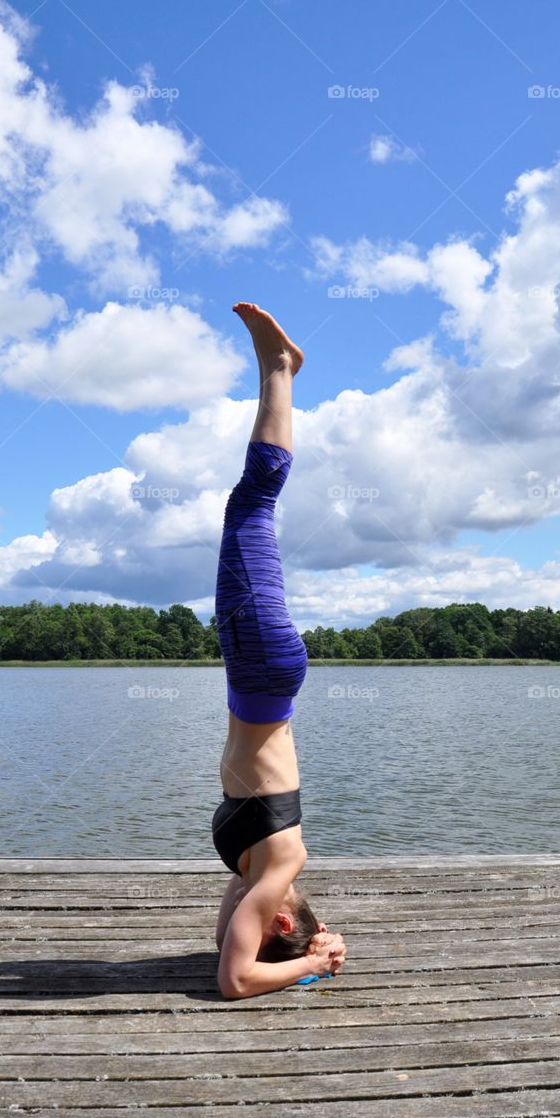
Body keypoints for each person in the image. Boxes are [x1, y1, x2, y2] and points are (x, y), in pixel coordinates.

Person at [211, 302, 346, 999]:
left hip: (258, 674)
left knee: (247, 509)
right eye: (259, 926)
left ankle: (279, 369)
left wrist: (311, 944)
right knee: (251, 505)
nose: (235, 924)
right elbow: (235, 980)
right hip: (262, 668)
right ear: (278, 917)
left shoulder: (260, 879)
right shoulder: (272, 874)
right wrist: (313, 962)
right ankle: (279, 369)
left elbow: (231, 956)